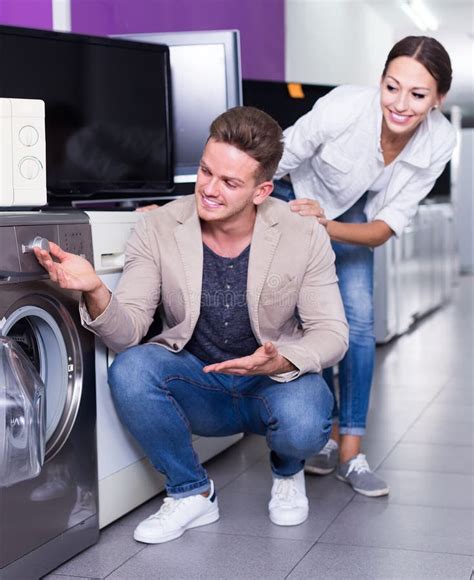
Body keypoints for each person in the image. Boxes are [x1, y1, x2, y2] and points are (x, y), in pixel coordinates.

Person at [34, 106, 348, 544]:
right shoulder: (159, 226)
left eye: (229, 182)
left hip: (274, 384)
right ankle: (191, 492)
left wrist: (281, 361)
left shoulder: (303, 233)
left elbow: (332, 333)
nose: (209, 190)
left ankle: (287, 468)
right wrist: (95, 291)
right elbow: (128, 332)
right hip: (197, 382)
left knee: (305, 420)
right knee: (131, 369)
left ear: (262, 191)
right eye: (205, 171)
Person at [274, 36, 456, 497]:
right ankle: (318, 436)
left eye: (417, 95)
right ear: (380, 81)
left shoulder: (441, 139)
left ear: (438, 99)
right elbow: (277, 159)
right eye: (392, 87)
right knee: (299, 322)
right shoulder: (342, 108)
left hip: (348, 218)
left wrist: (327, 227)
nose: (399, 104)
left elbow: (383, 227)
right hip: (293, 196)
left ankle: (350, 450)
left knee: (357, 323)